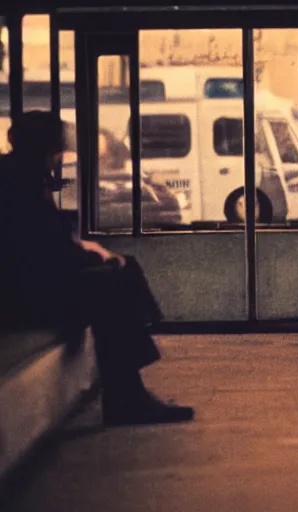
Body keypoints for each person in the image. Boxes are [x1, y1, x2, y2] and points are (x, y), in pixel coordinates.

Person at [0, 110, 194, 426]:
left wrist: (89, 254)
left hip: (21, 286)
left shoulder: (16, 175)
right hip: (23, 295)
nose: (61, 156)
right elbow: (46, 248)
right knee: (111, 288)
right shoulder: (22, 183)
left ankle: (130, 389)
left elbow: (45, 245)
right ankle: (128, 397)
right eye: (58, 149)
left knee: (116, 274)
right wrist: (93, 257)